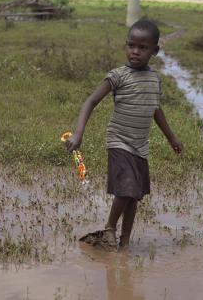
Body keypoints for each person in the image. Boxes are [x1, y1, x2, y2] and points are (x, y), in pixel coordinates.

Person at [65, 19, 182, 249]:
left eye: (142, 47)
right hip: (118, 141)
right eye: (131, 46)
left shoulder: (154, 79)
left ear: (155, 51)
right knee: (126, 189)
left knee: (134, 195)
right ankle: (109, 228)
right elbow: (90, 101)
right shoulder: (118, 76)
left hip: (140, 146)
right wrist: (78, 134)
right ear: (126, 46)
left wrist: (172, 138)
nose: (135, 52)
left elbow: (155, 110)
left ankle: (125, 242)